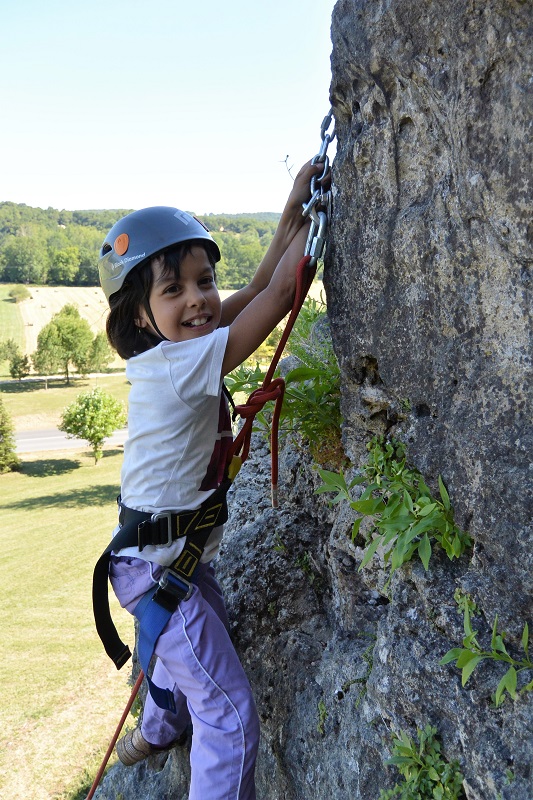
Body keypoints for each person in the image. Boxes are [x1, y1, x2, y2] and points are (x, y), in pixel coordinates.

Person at [97, 160, 325, 800]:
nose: (197, 299)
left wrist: (290, 213)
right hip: (162, 567)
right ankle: (176, 731)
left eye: (204, 280)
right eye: (174, 291)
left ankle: (156, 729)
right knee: (227, 711)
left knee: (191, 649)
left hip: (164, 559)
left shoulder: (171, 353)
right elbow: (279, 297)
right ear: (142, 315)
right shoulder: (178, 366)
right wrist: (328, 209)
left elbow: (254, 290)